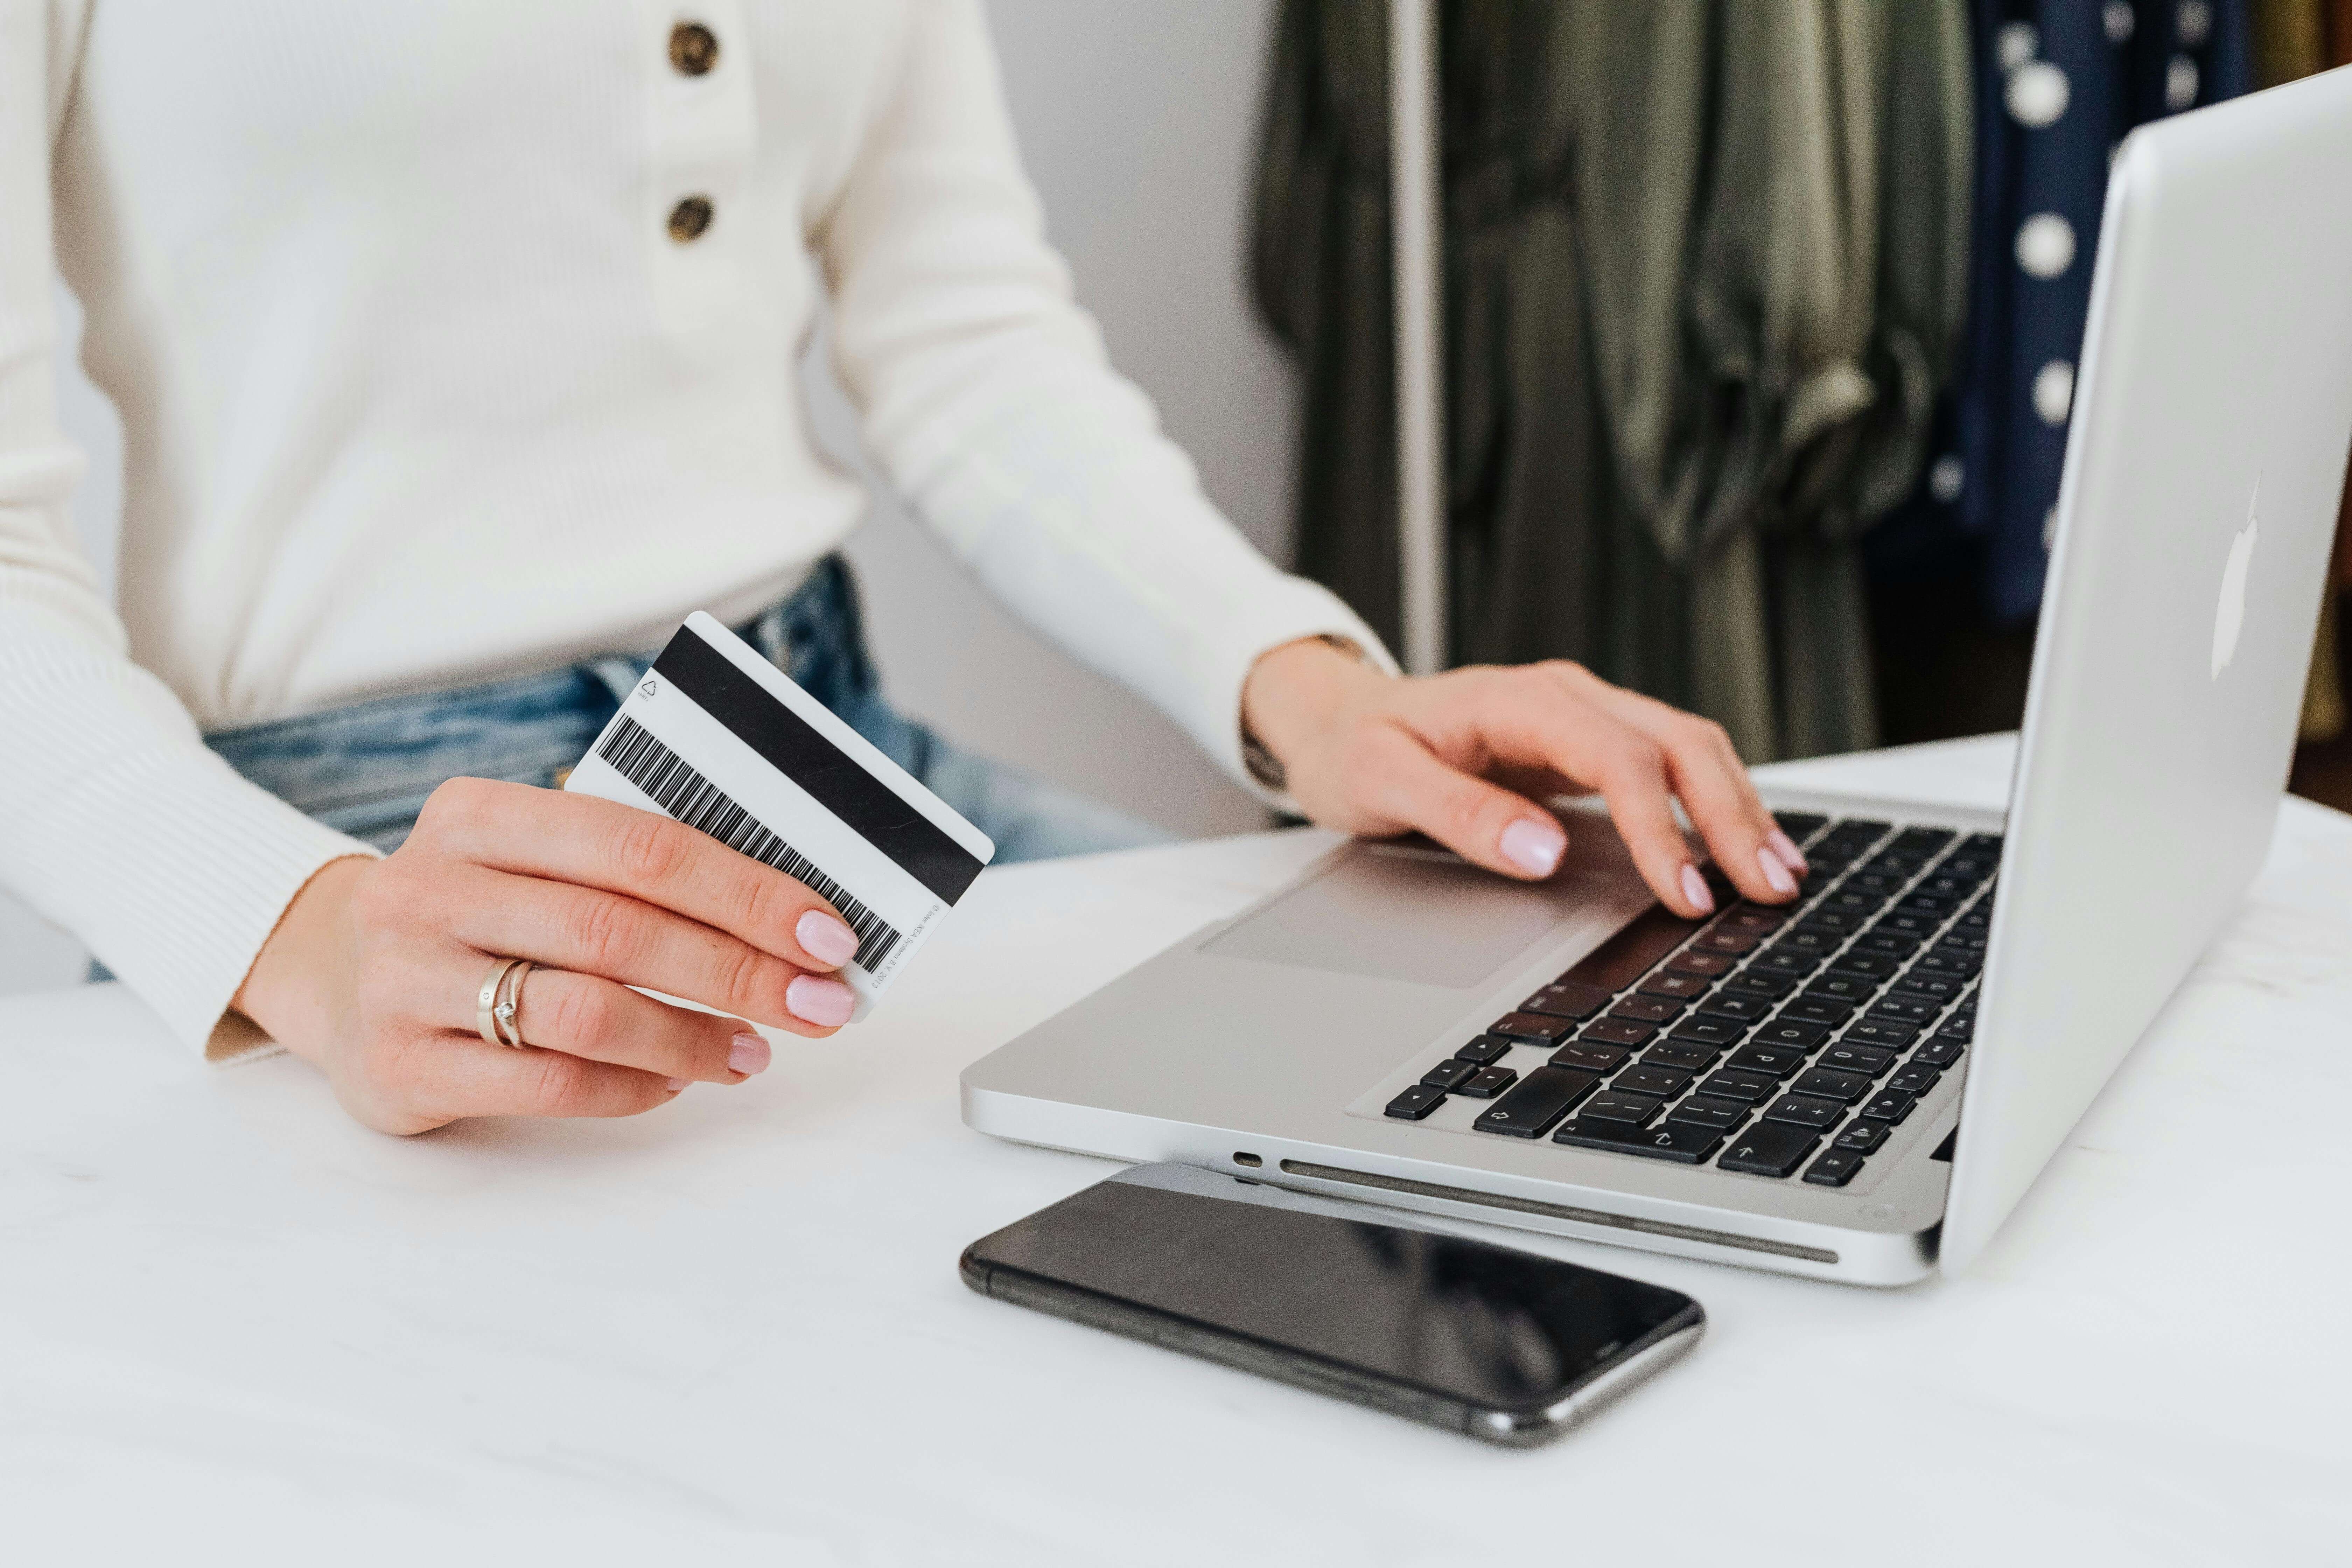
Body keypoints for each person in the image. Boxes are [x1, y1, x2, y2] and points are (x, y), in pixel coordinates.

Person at [0, 2, 1806, 1135]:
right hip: (370, 860)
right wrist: (296, 939)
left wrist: (1312, 687)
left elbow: (968, 337)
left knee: (1552, 1063)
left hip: (830, 760)